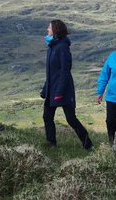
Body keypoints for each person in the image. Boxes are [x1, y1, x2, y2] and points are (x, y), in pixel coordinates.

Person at [40, 19, 93, 150]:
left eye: (49, 27)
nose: (47, 29)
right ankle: (51, 144)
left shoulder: (62, 47)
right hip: (52, 89)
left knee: (71, 119)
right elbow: (52, 73)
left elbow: (65, 71)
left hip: (63, 90)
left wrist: (59, 92)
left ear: (55, 30)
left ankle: (88, 145)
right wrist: (45, 89)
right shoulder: (51, 47)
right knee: (47, 116)